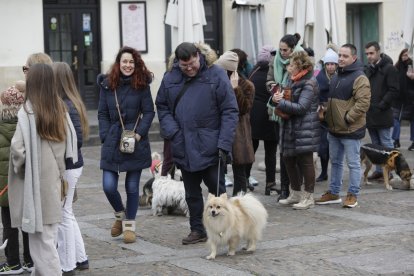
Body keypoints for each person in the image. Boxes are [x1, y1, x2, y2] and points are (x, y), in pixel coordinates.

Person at [156, 42, 238, 245]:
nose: (189, 68)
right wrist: (173, 132)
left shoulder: (216, 74)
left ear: (198, 56)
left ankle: (226, 230)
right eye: (184, 66)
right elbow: (162, 106)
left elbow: (229, 110)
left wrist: (224, 143)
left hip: (212, 145)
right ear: (178, 63)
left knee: (218, 192)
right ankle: (197, 229)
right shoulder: (170, 78)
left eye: (192, 63)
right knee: (191, 193)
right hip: (183, 144)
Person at [8, 63, 78, 275]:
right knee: (47, 239)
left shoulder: (28, 111)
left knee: (42, 245)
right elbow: (70, 146)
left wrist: (21, 173)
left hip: (34, 187)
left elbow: (17, 151)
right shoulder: (60, 108)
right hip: (55, 183)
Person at [0, 53, 53, 275]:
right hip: (25, 183)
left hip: (5, 188)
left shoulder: (5, 127)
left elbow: (15, 153)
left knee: (10, 224)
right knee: (27, 224)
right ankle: (30, 260)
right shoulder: (31, 119)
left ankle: (13, 261)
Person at [97, 46, 155, 244]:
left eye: (131, 62)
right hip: (113, 139)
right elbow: (102, 113)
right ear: (118, 63)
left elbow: (149, 112)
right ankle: (120, 216)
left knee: (132, 186)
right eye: (124, 62)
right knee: (108, 185)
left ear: (136, 63)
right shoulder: (107, 85)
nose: (128, 65)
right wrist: (105, 135)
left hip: (135, 141)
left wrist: (139, 134)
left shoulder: (142, 85)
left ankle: (129, 225)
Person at [315, 43, 371, 208]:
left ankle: (353, 195)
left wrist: (347, 118)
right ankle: (333, 192)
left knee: (353, 163)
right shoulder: (337, 75)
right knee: (336, 162)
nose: (340, 58)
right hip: (334, 129)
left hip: (350, 129)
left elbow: (363, 103)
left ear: (354, 58)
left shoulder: (360, 77)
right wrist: (325, 113)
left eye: (345, 56)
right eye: (339, 55)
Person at [53, 62, 90, 274]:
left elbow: (76, 140)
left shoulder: (67, 104)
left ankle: (68, 265)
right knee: (68, 213)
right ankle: (81, 257)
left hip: (70, 166)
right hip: (73, 165)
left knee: (63, 214)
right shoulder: (69, 101)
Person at [273, 51, 320, 210]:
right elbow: (287, 101)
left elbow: (302, 107)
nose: (288, 67)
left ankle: (308, 197)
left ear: (300, 66)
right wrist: (276, 99)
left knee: (306, 162)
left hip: (304, 128)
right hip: (290, 127)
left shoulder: (309, 82)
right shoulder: (292, 80)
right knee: (289, 160)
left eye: (291, 65)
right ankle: (295, 193)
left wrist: (281, 103)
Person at [266, 33, 304, 197]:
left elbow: (304, 84)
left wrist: (287, 91)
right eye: (280, 49)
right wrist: (273, 86)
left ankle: (296, 188)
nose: (282, 53)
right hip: (278, 111)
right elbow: (268, 80)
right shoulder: (274, 60)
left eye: (285, 50)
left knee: (295, 153)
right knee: (282, 152)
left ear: (293, 49)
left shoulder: (300, 60)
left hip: (294, 111)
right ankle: (284, 189)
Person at [216, 51, 255, 196]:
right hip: (220, 130)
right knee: (218, 168)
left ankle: (240, 200)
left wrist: (235, 89)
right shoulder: (217, 82)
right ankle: (220, 200)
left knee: (240, 172)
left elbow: (243, 108)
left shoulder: (247, 86)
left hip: (239, 133)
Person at [246, 45, 280, 195]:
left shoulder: (253, 71)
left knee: (250, 151)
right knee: (270, 152)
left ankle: (245, 179)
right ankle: (270, 184)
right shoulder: (274, 74)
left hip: (253, 117)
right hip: (269, 116)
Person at [364, 41, 399, 181]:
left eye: (371, 53)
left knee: (386, 143)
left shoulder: (389, 68)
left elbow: (394, 90)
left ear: (378, 52)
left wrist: (382, 104)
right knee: (375, 145)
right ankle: (379, 170)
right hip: (370, 112)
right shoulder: (368, 69)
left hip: (382, 112)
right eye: (367, 54)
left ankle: (392, 170)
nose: (369, 56)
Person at [315, 46, 339, 182]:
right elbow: (315, 93)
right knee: (323, 146)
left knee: (337, 146)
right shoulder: (319, 77)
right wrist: (319, 104)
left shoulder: (341, 75)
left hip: (337, 114)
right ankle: (324, 172)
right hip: (323, 116)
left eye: (332, 64)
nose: (330, 67)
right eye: (328, 64)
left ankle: (336, 173)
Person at [392, 49, 414, 150]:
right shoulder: (397, 67)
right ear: (400, 56)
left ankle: (413, 142)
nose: (405, 57)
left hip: (411, 99)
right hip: (399, 99)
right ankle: (396, 140)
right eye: (403, 55)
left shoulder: (412, 66)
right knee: (396, 119)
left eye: (407, 55)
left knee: (412, 121)